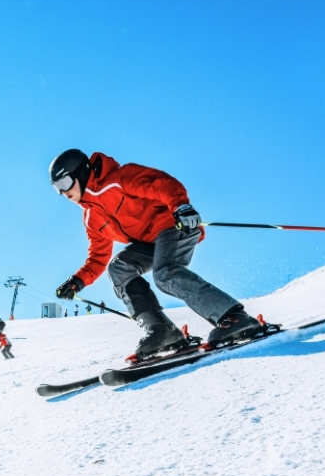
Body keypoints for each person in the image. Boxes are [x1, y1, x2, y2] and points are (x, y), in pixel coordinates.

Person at [49, 149, 262, 358]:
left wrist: (181, 207)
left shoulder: (119, 179)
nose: (63, 192)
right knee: (118, 267)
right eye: (57, 187)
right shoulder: (91, 218)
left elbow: (162, 183)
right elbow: (98, 256)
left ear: (82, 172)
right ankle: (162, 331)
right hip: (149, 243)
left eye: (65, 183)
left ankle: (233, 317)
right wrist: (78, 280)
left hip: (174, 224)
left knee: (165, 273)